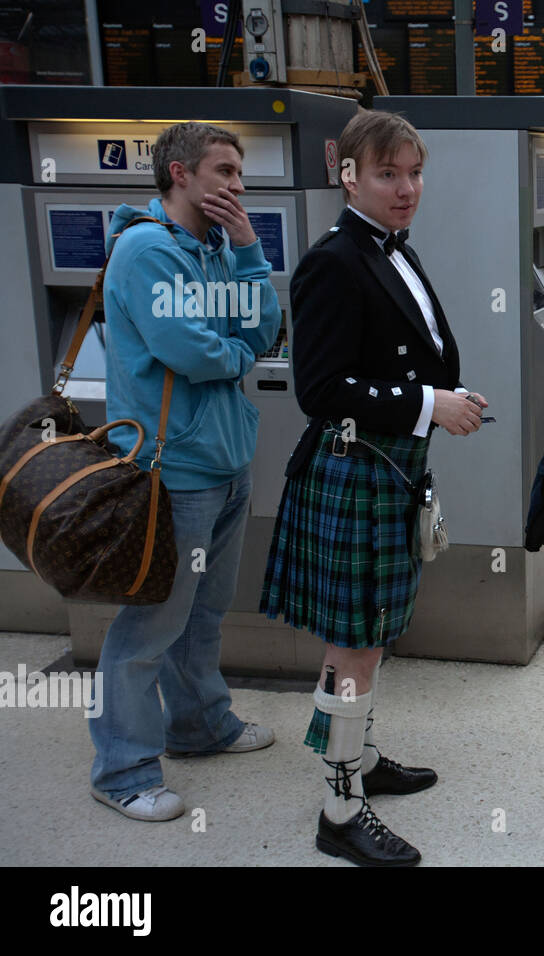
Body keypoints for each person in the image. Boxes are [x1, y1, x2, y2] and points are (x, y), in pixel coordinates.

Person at [261, 110, 487, 865]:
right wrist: (430, 405)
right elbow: (321, 388)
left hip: (389, 468)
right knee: (352, 647)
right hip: (353, 467)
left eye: (414, 173)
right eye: (388, 174)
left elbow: (413, 357)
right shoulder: (334, 261)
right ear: (346, 172)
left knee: (368, 638)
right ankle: (339, 806)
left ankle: (357, 760)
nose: (407, 188)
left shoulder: (392, 251)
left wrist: (444, 397)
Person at [91, 122, 281, 821]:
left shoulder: (214, 248)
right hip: (172, 471)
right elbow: (194, 351)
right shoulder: (145, 250)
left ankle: (201, 725)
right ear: (178, 173)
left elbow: (265, 327)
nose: (237, 185)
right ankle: (123, 769)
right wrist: (236, 353)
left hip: (223, 460)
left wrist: (251, 248)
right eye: (224, 171)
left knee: (202, 615)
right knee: (148, 628)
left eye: (241, 173)